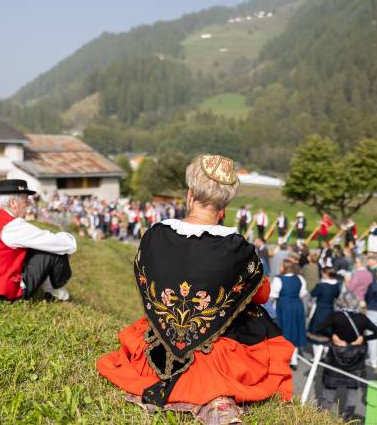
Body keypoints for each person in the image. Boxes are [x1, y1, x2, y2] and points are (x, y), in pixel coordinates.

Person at [97, 155, 294, 423]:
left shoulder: (154, 235)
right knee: (255, 312)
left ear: (190, 195)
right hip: (215, 351)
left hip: (156, 345)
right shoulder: (238, 248)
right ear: (224, 205)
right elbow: (262, 294)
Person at [0, 179, 76, 302]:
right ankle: (59, 295)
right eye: (26, 200)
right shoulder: (12, 225)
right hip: (4, 294)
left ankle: (52, 291)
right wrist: (69, 240)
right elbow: (61, 244)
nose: (28, 205)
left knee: (41, 248)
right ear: (13, 203)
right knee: (52, 251)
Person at [316, 291, 377, 421]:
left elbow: (319, 328)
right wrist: (363, 338)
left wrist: (333, 336)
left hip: (336, 355)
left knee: (330, 387)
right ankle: (348, 418)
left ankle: (323, 417)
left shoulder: (335, 316)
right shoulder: (362, 318)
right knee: (352, 388)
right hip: (356, 357)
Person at [270, 260, 307, 368]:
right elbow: (303, 293)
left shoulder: (278, 279)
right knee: (295, 330)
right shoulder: (300, 278)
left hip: (284, 306)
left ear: (284, 268)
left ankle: (284, 358)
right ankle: (293, 359)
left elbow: (273, 295)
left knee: (283, 330)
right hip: (297, 306)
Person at [307, 266, 341, 339]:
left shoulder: (322, 285)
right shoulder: (336, 285)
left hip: (320, 308)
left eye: (322, 273)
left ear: (326, 274)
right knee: (328, 326)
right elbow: (337, 295)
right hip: (330, 307)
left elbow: (313, 293)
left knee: (317, 328)